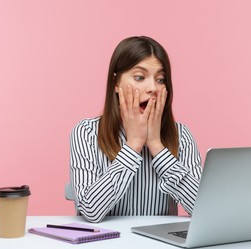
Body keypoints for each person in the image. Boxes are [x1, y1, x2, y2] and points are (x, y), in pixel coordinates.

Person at [70, 36, 202, 223]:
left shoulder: (182, 135)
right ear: (116, 84)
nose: (153, 88)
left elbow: (203, 208)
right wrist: (133, 144)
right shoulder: (86, 133)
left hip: (161, 248)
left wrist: (156, 145)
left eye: (160, 79)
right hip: (106, 246)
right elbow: (90, 211)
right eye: (140, 77)